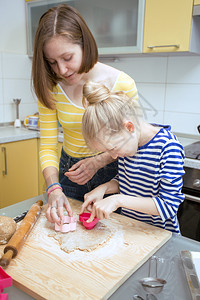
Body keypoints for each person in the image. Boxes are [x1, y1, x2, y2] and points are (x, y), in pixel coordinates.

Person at [31, 4, 138, 224]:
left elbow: (132, 139)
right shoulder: (51, 88)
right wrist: (53, 188)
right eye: (52, 62)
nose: (61, 70)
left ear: (85, 45)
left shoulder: (122, 83)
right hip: (68, 174)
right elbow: (49, 145)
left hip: (113, 174)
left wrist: (98, 161)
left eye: (67, 58)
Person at [79, 81, 185, 234]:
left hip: (158, 236)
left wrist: (117, 200)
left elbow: (168, 206)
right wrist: (103, 188)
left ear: (129, 127)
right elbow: (128, 182)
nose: (113, 156)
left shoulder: (168, 147)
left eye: (113, 149)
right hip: (132, 229)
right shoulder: (129, 145)